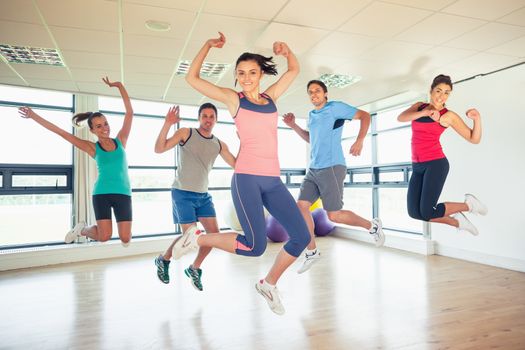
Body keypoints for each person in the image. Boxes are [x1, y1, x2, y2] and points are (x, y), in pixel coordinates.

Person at [175, 32, 310, 315]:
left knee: (301, 236)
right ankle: (196, 239)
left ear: (261, 74)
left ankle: (268, 283)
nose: (247, 77)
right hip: (246, 178)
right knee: (254, 246)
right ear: (236, 76)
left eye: (252, 72)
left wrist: (288, 50)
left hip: (272, 180)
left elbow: (294, 70)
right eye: (241, 73)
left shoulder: (271, 98)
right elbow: (192, 78)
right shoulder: (233, 99)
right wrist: (207, 45)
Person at [282, 79, 385, 274]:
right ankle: (312, 252)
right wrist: (294, 125)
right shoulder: (312, 115)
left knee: (334, 215)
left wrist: (360, 140)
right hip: (313, 168)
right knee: (301, 206)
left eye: (317, 91)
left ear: (325, 93)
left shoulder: (334, 108)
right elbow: (311, 139)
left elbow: (364, 116)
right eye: (310, 92)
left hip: (331, 166)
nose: (314, 95)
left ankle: (372, 226)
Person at [19, 77, 134, 245]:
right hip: (102, 193)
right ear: (92, 130)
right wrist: (33, 115)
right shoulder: (92, 148)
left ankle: (82, 229)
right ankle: (81, 230)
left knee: (125, 238)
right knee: (104, 237)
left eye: (105, 123)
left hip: (123, 193)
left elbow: (129, 113)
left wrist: (119, 86)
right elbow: (62, 133)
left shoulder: (121, 141)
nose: (104, 128)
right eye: (99, 126)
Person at [153, 102, 236, 290]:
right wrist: (167, 124)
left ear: (216, 120)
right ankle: (164, 259)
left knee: (214, 236)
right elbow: (159, 148)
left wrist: (246, 145)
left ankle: (195, 268)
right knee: (190, 236)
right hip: (182, 192)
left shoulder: (219, 144)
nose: (208, 120)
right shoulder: (186, 133)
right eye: (204, 116)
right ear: (199, 118)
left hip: (203, 195)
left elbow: (237, 165)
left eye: (211, 117)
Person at [397, 74, 487, 235]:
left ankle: (469, 205)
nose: (442, 96)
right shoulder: (419, 107)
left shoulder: (448, 116)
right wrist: (425, 113)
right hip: (417, 166)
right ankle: (457, 221)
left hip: (435, 163)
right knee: (414, 213)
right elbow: (401, 118)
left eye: (447, 92)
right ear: (431, 91)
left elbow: (474, 138)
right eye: (438, 91)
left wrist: (477, 118)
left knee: (427, 212)